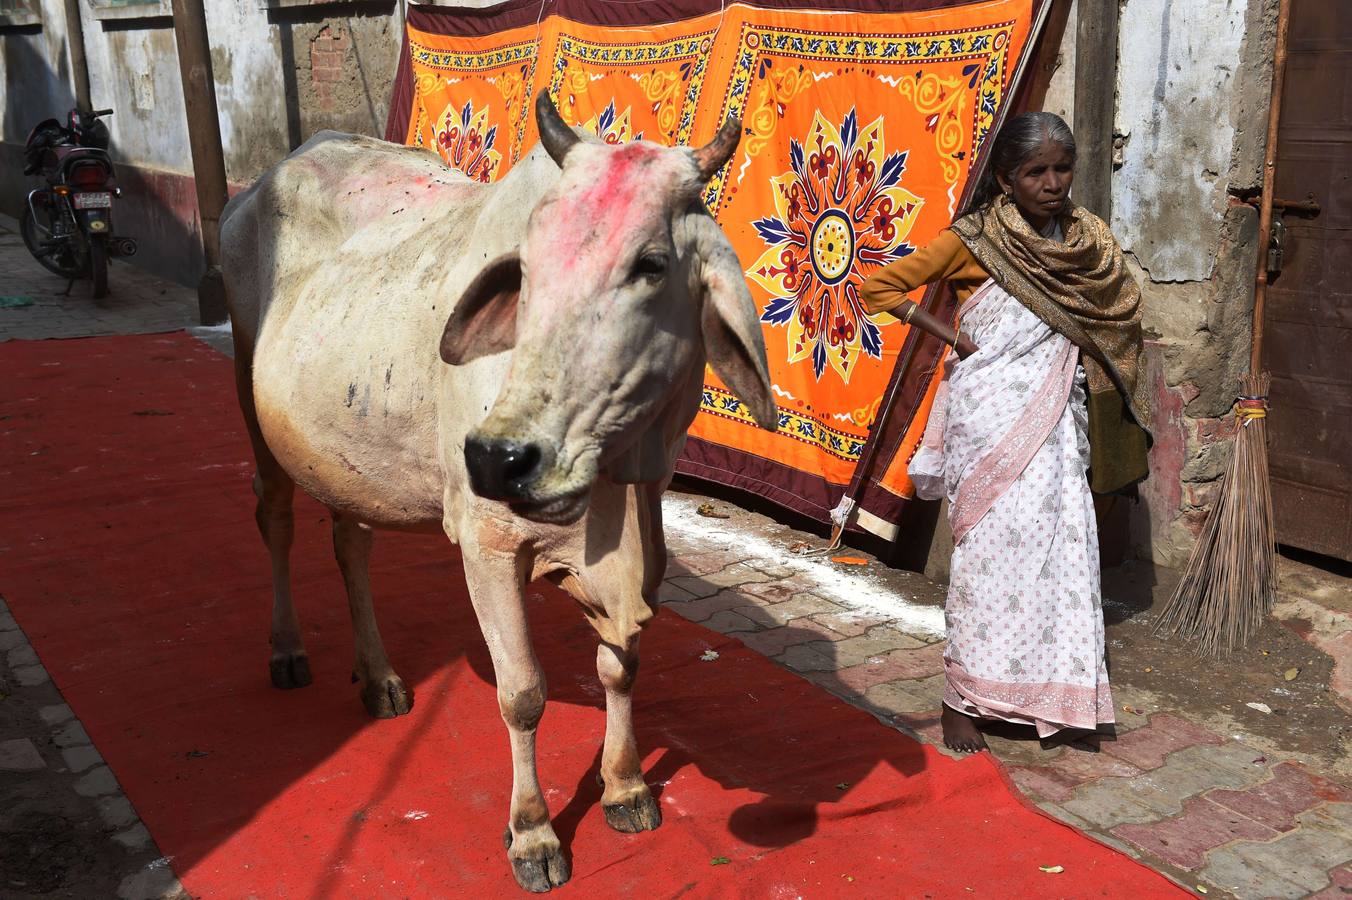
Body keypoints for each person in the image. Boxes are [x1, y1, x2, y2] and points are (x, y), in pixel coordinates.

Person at [859, 112, 1151, 753]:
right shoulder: (974, 241)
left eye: (1062, 167)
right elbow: (879, 287)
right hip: (988, 414)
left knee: (1059, 551)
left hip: (1056, 420)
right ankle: (961, 698)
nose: (1052, 182)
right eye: (1035, 171)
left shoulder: (1085, 241)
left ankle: (1050, 692)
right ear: (1005, 178)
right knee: (989, 559)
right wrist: (955, 338)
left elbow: (1117, 314)